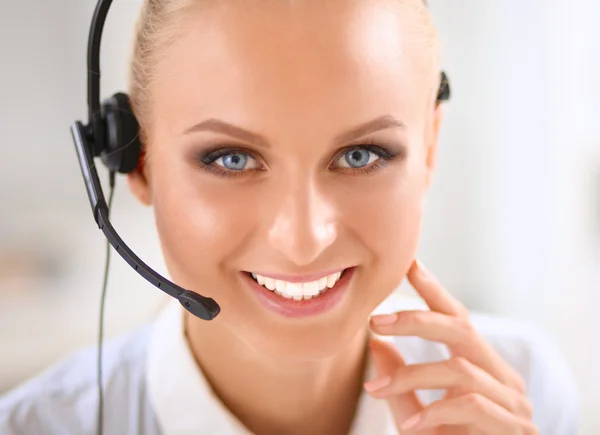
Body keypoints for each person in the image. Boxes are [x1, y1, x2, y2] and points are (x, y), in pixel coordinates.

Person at [0, 0, 579, 434]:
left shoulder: (522, 392)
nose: (304, 240)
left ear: (428, 149)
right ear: (137, 162)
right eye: (231, 159)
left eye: (361, 155)